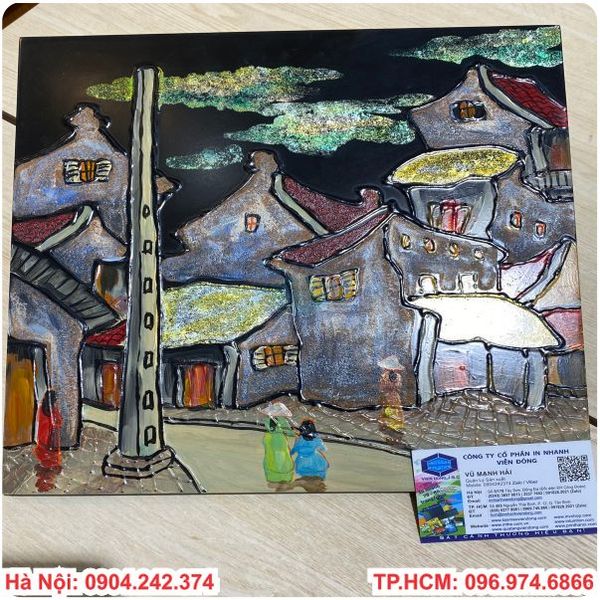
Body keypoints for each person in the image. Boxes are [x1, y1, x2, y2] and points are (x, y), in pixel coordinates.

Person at [262, 416, 295, 488]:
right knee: (281, 460)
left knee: (271, 458)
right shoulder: (281, 420)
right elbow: (290, 433)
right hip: (278, 440)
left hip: (269, 438)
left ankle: (274, 479)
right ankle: (283, 479)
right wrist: (294, 432)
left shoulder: (267, 419)